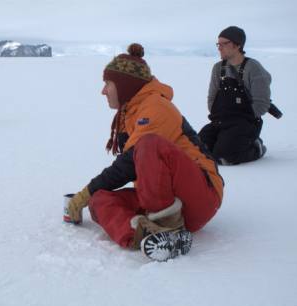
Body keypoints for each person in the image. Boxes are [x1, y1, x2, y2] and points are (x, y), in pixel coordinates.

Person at [67, 43, 224, 262]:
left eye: (107, 83)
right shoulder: (129, 112)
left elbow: (130, 162)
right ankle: (145, 236)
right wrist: (90, 196)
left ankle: (170, 229)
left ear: (124, 85)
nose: (103, 91)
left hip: (201, 196)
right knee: (100, 199)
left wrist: (85, 191)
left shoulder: (156, 108)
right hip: (161, 199)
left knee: (148, 144)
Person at [199, 26, 271, 165]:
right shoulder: (218, 68)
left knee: (224, 157)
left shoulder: (253, 68)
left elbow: (262, 105)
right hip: (220, 122)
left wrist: (241, 120)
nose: (219, 48)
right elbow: (212, 97)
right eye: (218, 44)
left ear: (237, 45)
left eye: (224, 44)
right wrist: (219, 117)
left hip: (245, 123)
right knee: (198, 150)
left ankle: (256, 147)